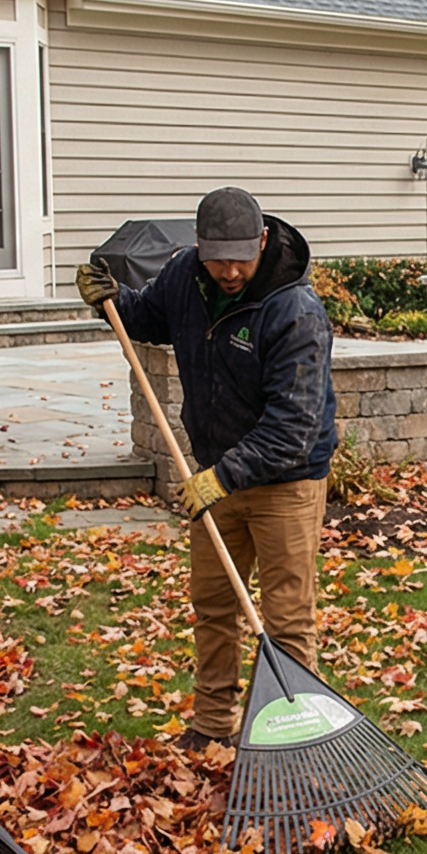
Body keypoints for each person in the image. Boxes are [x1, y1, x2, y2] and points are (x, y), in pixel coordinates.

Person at [80, 188, 336, 753]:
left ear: (263, 241)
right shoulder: (184, 279)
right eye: (218, 258)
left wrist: (222, 477)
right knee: (214, 606)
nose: (230, 270)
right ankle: (213, 724)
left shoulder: (295, 311)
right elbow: (148, 316)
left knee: (287, 618)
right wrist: (111, 300)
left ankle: (292, 736)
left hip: (284, 485)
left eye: (242, 257)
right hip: (215, 478)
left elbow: (292, 428)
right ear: (198, 248)